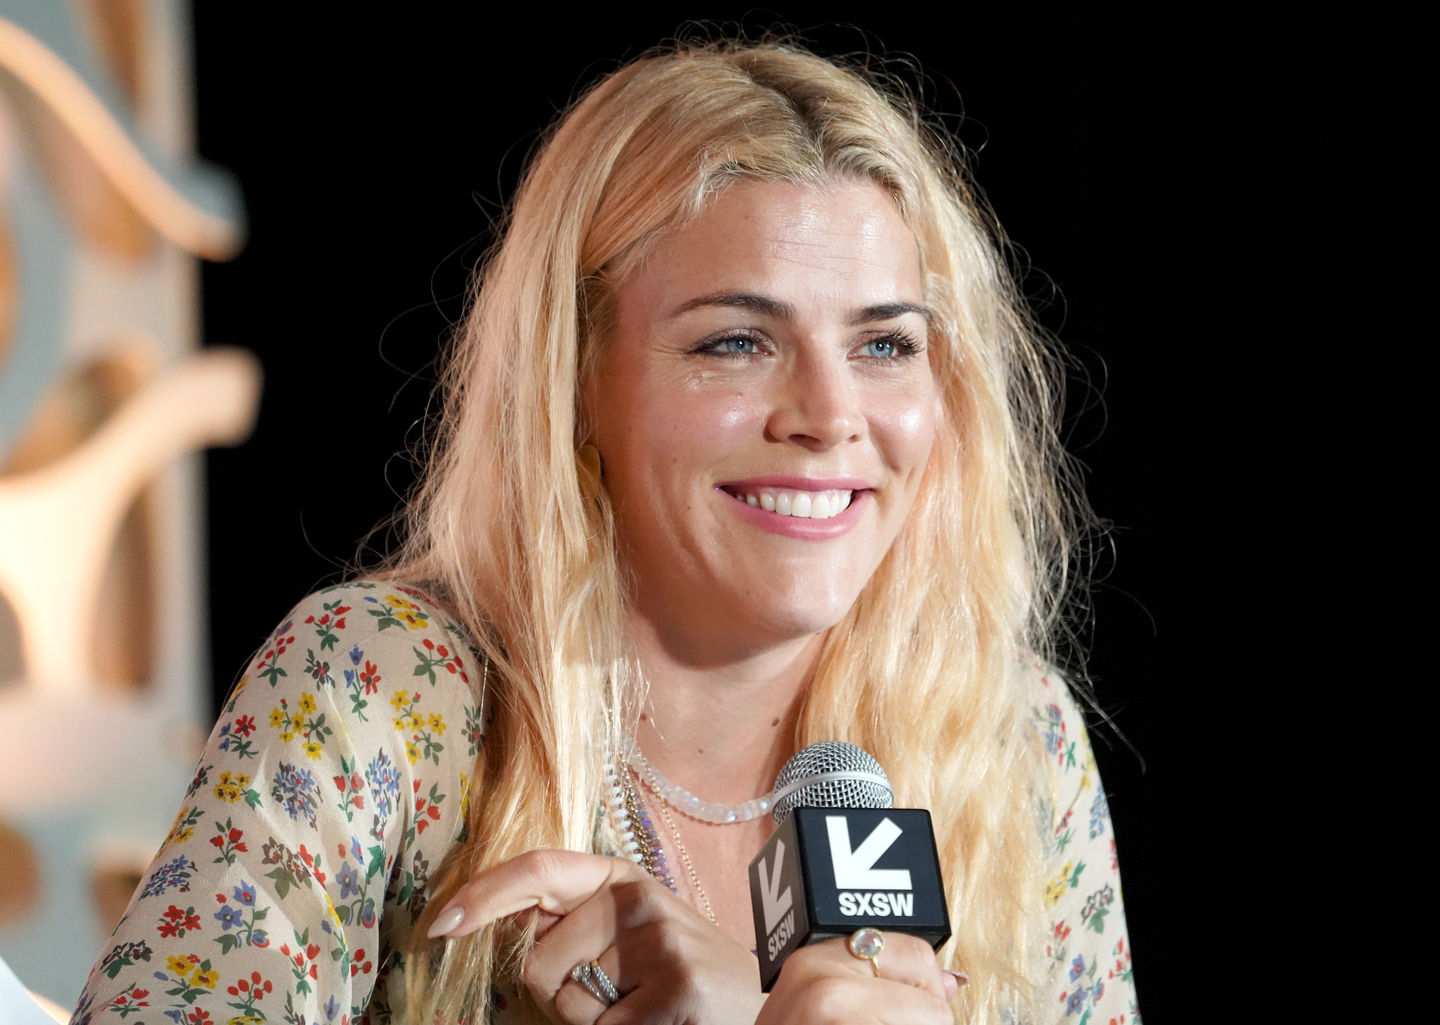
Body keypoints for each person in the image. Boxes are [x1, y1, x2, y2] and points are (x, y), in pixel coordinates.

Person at [73, 39, 1136, 1025]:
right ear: (578, 379)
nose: (827, 414)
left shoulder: (1012, 733)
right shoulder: (381, 686)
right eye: (735, 341)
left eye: (886, 345)